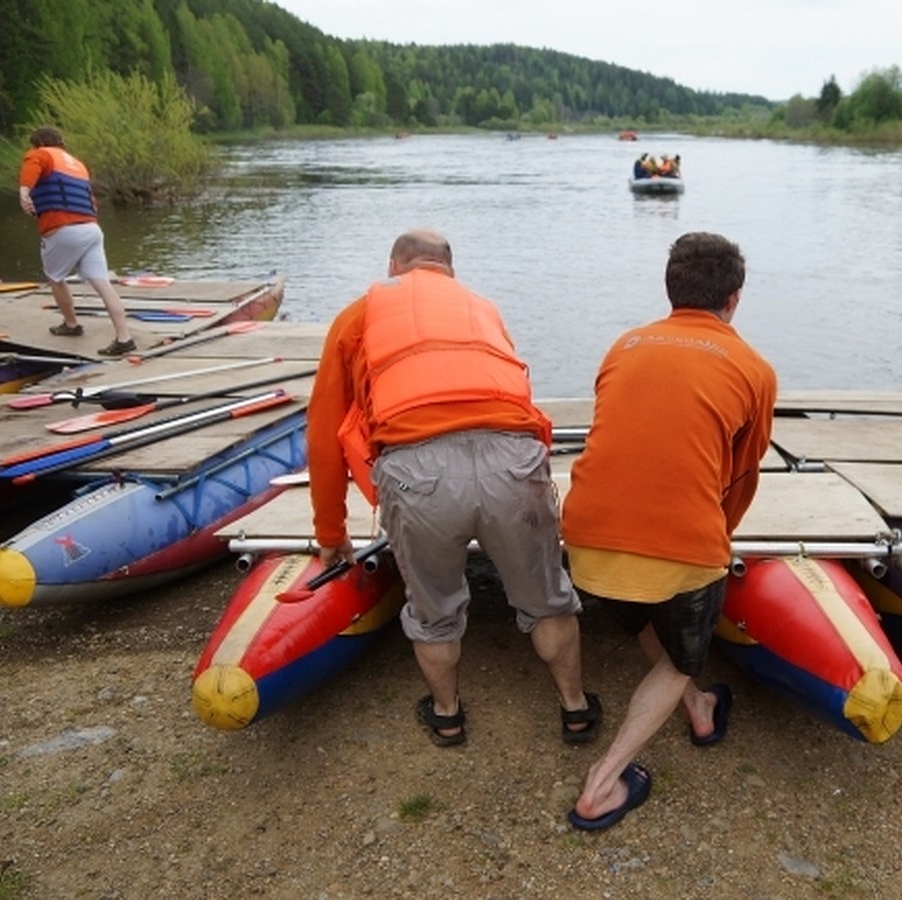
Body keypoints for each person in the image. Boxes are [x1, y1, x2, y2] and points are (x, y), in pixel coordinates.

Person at [306, 228, 600, 747]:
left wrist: (331, 531)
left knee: (434, 608)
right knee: (548, 600)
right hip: (512, 460)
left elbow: (325, 433)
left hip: (419, 471)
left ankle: (447, 714)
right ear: (450, 269)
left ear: (394, 266)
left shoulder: (360, 315)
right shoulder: (482, 308)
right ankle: (575, 708)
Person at [561, 231, 777, 831]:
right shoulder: (754, 369)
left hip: (582, 541)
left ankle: (700, 709)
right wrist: (715, 538)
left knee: (645, 618)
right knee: (684, 653)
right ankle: (602, 786)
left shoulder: (624, 345)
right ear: (733, 298)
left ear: (670, 290)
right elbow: (741, 475)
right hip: (679, 545)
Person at [18, 126, 134, 357]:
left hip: (64, 230)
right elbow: (90, 201)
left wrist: (24, 193)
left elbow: (33, 166)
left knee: (55, 277)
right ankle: (124, 338)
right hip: (91, 229)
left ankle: (71, 325)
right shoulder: (78, 165)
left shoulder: (41, 153)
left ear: (39, 142)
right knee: (102, 283)